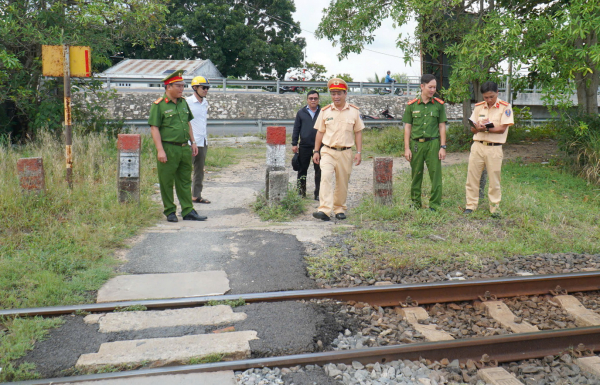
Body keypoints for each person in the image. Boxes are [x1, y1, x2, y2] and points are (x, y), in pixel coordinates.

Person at [148, 70, 207, 222]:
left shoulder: (183, 103)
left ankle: (188, 210)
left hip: (183, 147)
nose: (182, 89)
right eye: (179, 86)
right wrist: (160, 150)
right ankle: (170, 211)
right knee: (167, 181)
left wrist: (193, 142)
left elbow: (188, 123)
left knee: (184, 180)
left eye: (183, 85)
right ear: (168, 87)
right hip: (168, 148)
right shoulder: (159, 105)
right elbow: (154, 128)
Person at [312, 78, 364, 221]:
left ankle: (339, 208)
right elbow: (320, 132)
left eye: (339, 93)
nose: (336, 97)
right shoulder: (325, 111)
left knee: (342, 182)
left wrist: (359, 152)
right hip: (328, 151)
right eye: (333, 94)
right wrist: (316, 151)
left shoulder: (353, 112)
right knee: (326, 177)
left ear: (345, 94)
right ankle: (324, 210)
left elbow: (358, 132)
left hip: (345, 152)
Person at [463, 81, 514, 217]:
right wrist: (477, 128)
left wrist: (486, 128)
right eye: (486, 97)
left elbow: (502, 129)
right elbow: (473, 128)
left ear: (497, 93)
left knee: (494, 179)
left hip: (494, 148)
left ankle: (494, 207)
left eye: (491, 96)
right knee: (472, 177)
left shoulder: (505, 107)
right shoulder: (479, 107)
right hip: (478, 146)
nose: (489, 100)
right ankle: (471, 205)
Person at [402, 74, 448, 211]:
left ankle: (434, 205)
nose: (433, 90)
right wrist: (406, 148)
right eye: (430, 87)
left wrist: (443, 146)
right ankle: (415, 203)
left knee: (435, 175)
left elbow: (441, 126)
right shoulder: (411, 106)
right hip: (416, 145)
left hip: (433, 144)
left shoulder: (439, 105)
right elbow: (408, 127)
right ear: (422, 86)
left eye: (434, 87)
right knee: (416, 174)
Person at [292, 90, 322, 200]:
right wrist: (294, 143)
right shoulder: (301, 113)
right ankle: (301, 192)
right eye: (311, 98)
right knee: (302, 170)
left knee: (319, 171)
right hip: (304, 146)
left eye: (315, 98)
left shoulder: (323, 112)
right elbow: (296, 129)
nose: (313, 100)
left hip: (319, 147)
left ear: (318, 100)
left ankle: (318, 194)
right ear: (307, 100)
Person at [186, 76, 211, 204]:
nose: (206, 90)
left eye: (207, 88)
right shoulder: (187, 102)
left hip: (202, 141)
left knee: (199, 170)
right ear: (195, 88)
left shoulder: (204, 103)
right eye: (203, 87)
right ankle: (184, 197)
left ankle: (196, 195)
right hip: (191, 141)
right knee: (185, 170)